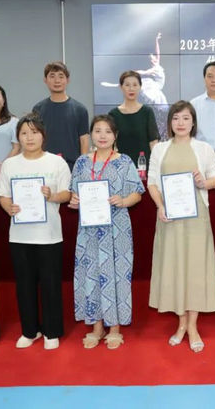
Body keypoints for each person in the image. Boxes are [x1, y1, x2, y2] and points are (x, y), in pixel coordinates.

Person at [147, 100, 215, 353]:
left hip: (196, 218)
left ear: (193, 122)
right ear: (169, 122)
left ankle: (192, 325)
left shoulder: (204, 148)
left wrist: (202, 182)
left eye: (186, 118)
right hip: (169, 217)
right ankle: (180, 324)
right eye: (176, 118)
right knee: (174, 267)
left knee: (195, 268)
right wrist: (160, 206)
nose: (180, 123)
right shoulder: (160, 149)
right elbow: (152, 182)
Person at [69, 115, 144, 350]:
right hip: (89, 230)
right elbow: (73, 194)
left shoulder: (124, 161)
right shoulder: (82, 162)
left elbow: (137, 193)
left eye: (108, 131)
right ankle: (97, 326)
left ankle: (115, 328)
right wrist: (75, 200)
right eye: (98, 131)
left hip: (117, 228)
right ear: (91, 134)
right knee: (91, 274)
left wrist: (124, 200)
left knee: (116, 275)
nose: (102, 136)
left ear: (115, 136)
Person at [0, 114, 71, 350]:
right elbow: (3, 195)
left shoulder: (56, 162)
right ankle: (29, 331)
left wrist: (52, 195)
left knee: (50, 284)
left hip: (49, 234)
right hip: (20, 235)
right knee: (24, 285)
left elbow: (67, 194)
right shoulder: (9, 164)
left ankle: (51, 331)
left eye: (34, 132)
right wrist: (8, 206)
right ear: (18, 137)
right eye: (24, 133)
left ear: (43, 135)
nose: (29, 138)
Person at [32, 61, 90, 170]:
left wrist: (82, 168)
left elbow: (84, 141)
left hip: (72, 167)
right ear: (45, 80)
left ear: (68, 80)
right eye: (52, 76)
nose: (57, 80)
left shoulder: (80, 109)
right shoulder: (38, 109)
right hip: (44, 166)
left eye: (61, 76)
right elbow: (35, 138)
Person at [108, 71, 160, 163]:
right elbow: (110, 144)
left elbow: (153, 142)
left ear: (140, 87)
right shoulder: (113, 114)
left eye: (135, 85)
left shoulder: (147, 112)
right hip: (122, 165)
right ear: (121, 87)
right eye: (127, 85)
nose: (131, 88)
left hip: (144, 166)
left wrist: (156, 165)